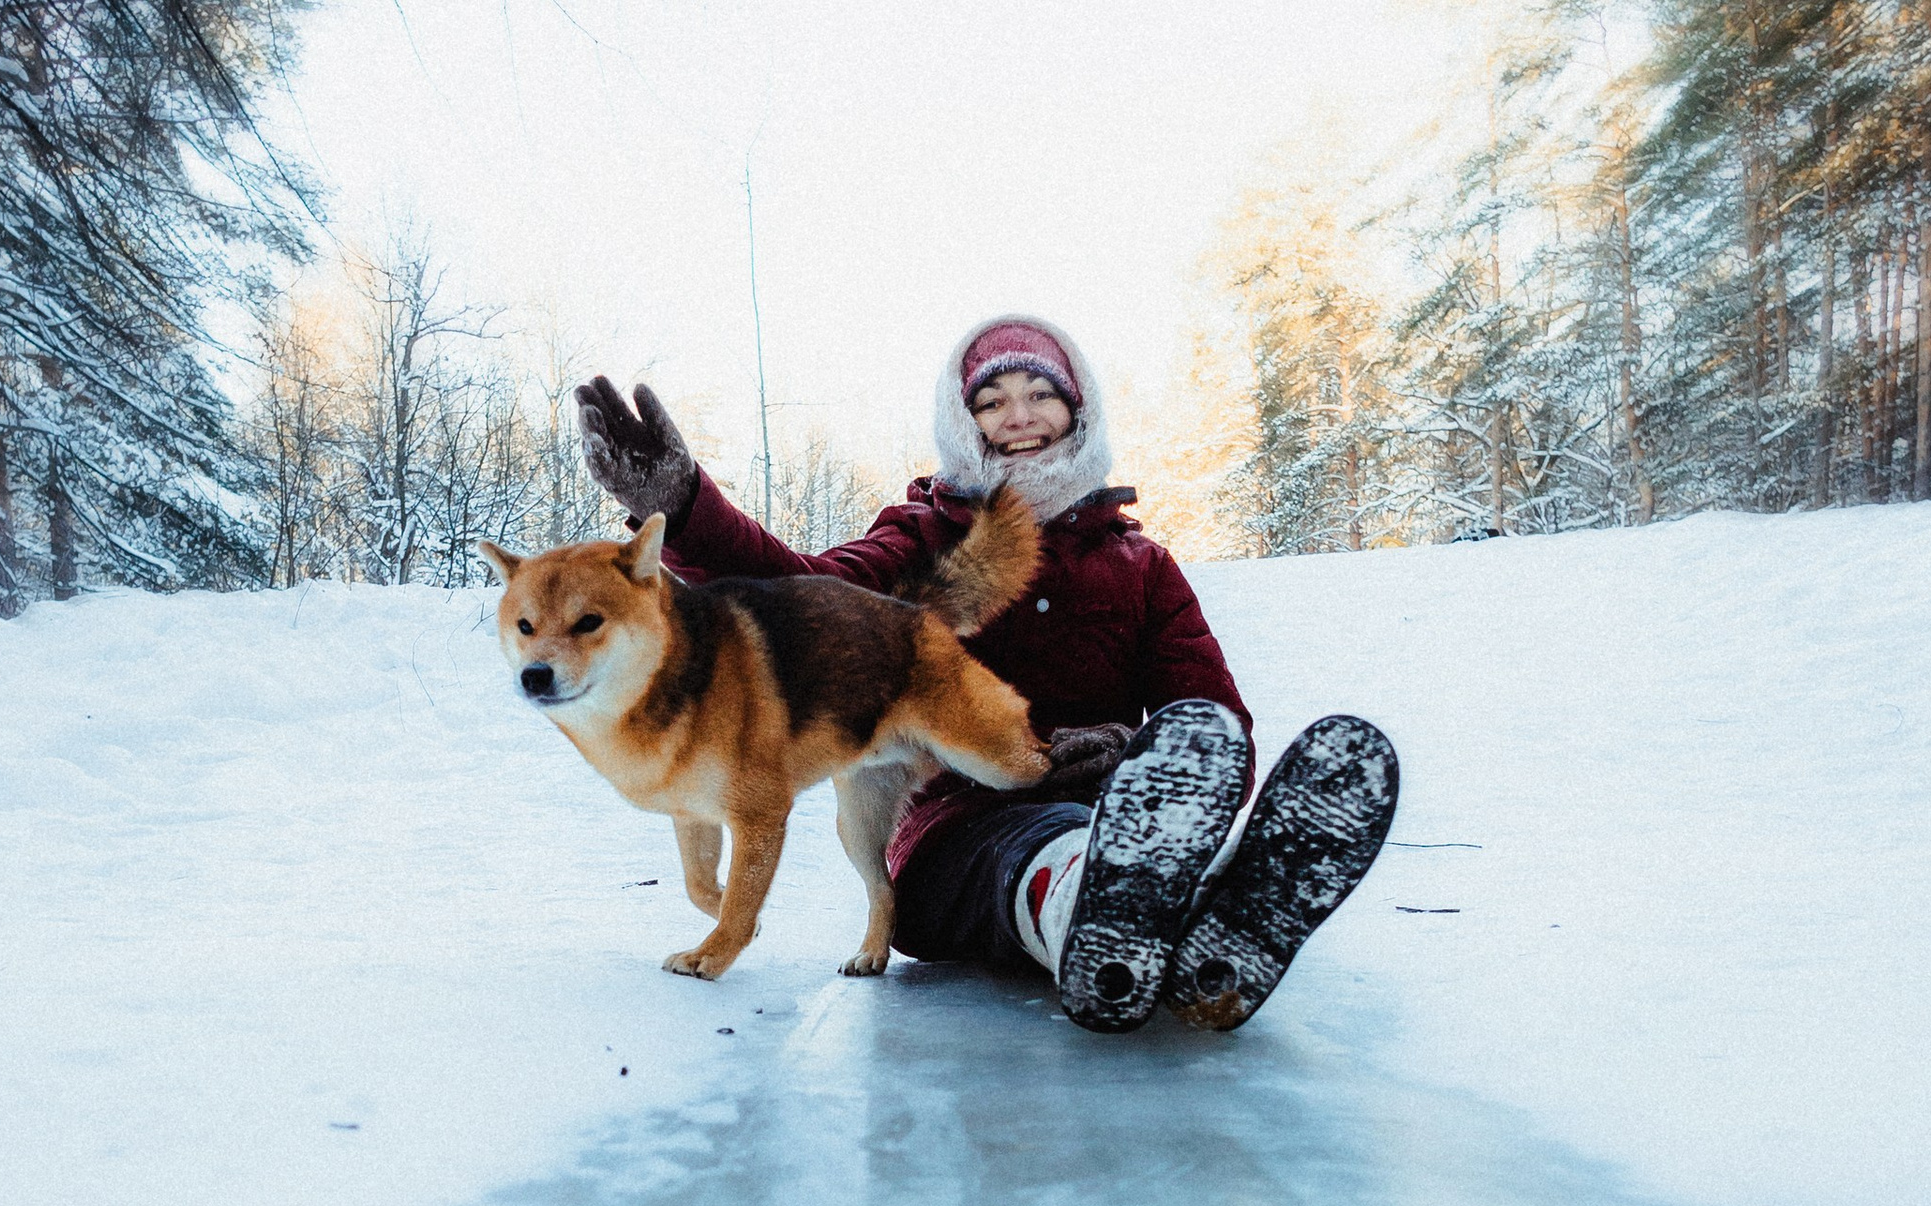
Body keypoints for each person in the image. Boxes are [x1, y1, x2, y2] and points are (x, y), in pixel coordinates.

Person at [575, 319, 1397, 1034]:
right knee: (1038, 853)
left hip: (1112, 801)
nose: (1018, 415)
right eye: (991, 399)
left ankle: (1204, 910)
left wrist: (1135, 752)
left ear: (1078, 407)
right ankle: (1107, 911)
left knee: (1116, 820)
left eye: (1039, 392)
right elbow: (800, 597)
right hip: (953, 833)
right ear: (963, 420)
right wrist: (684, 508)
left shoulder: (1141, 566)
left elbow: (1209, 721)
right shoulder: (918, 540)